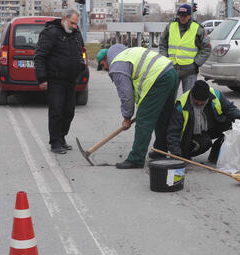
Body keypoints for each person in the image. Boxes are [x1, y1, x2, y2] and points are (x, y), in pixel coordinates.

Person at [96, 44, 179, 169]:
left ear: (107, 58)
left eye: (102, 65)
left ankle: (136, 158)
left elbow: (126, 95)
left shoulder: (117, 65)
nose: (104, 69)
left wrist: (127, 117)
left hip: (158, 79)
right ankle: (160, 150)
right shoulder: (127, 53)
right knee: (163, 116)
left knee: (144, 120)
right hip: (171, 72)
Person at [34, 9, 86, 154]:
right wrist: (42, 78)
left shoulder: (75, 34)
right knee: (56, 111)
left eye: (76, 24)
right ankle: (55, 142)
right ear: (64, 18)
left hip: (71, 80)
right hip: (55, 80)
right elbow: (40, 56)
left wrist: (81, 66)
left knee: (69, 112)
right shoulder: (51, 33)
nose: (74, 26)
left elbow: (80, 52)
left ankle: (62, 137)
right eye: (72, 23)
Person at [166, 80, 240, 163]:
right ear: (192, 95)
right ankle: (185, 154)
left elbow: (229, 108)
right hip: (189, 136)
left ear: (208, 98)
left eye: (202, 102)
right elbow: (173, 132)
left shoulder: (216, 95)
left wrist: (239, 117)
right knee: (205, 143)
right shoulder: (181, 105)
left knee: (232, 124)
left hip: (210, 128)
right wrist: (176, 154)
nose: (199, 103)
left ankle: (215, 155)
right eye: (196, 101)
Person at [159, 3, 211, 93]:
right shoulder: (171, 26)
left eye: (185, 16)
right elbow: (162, 43)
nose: (182, 18)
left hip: (190, 70)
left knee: (188, 97)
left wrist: (196, 63)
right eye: (180, 15)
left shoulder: (198, 29)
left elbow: (206, 48)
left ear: (190, 16)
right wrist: (165, 60)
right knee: (169, 98)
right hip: (172, 69)